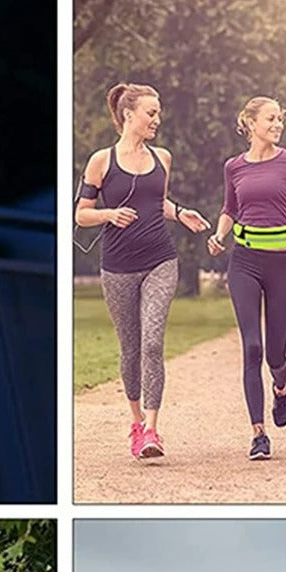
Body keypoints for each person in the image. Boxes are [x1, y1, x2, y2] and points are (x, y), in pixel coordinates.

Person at [75, 83, 210, 461]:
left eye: (158, 112)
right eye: (151, 112)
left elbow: (158, 201)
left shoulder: (162, 158)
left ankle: (152, 429)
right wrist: (108, 214)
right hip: (117, 268)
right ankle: (135, 423)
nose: (157, 119)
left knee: (152, 343)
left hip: (160, 260)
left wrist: (181, 213)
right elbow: (81, 214)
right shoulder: (101, 161)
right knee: (130, 349)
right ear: (128, 114)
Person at [208, 96, 286, 461]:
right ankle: (258, 434)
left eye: (280, 119)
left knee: (275, 354)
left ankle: (281, 389)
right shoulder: (234, 167)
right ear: (251, 123)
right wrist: (219, 235)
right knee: (251, 347)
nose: (277, 124)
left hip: (282, 264)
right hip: (245, 262)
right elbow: (229, 208)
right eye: (270, 119)